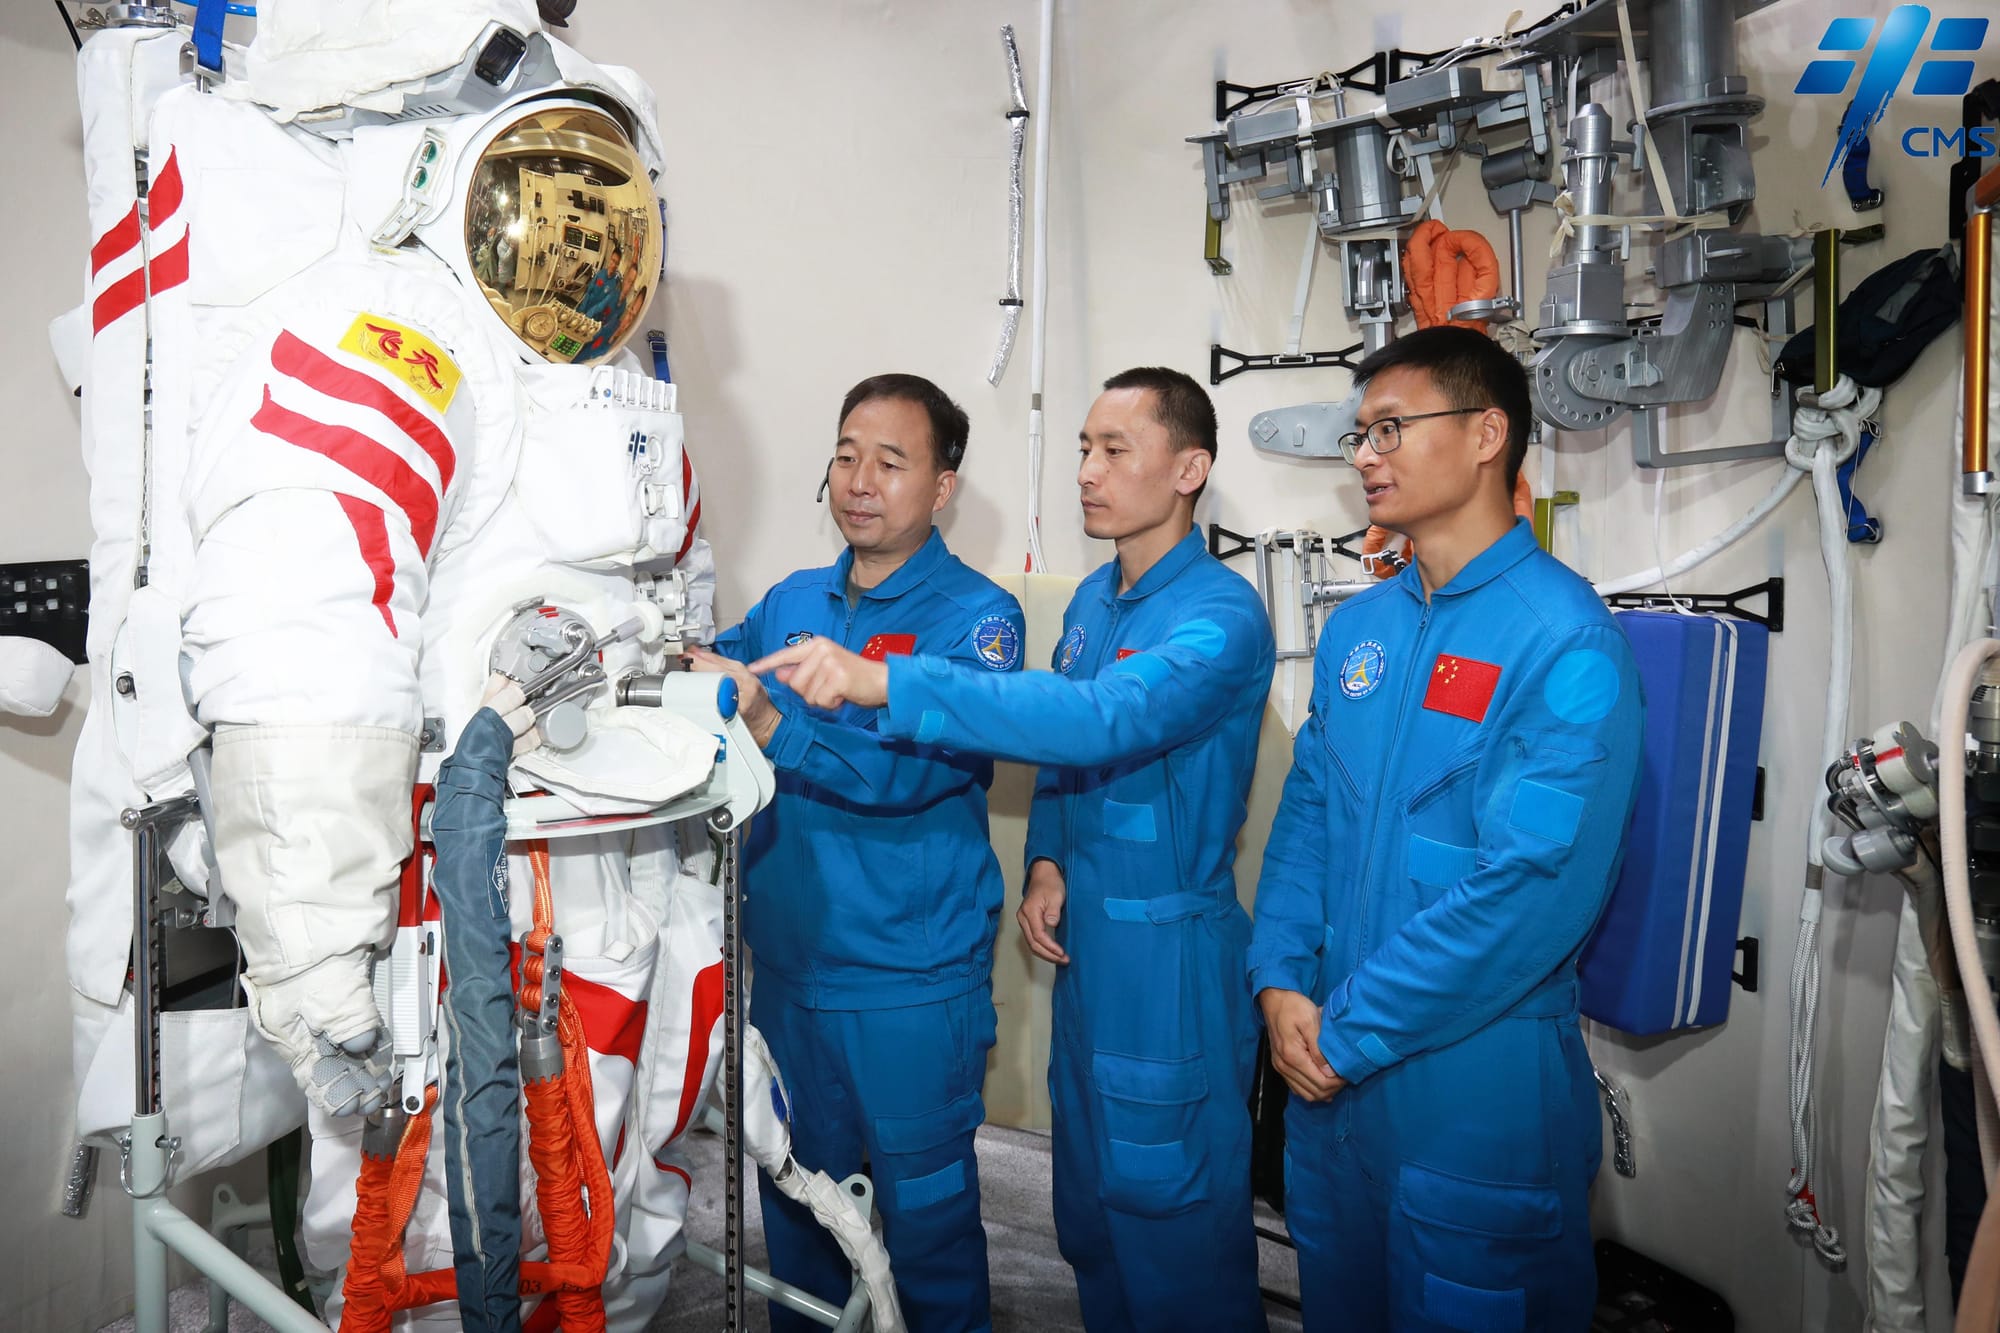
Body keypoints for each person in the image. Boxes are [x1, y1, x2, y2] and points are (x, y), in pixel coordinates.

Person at [747, 367, 1276, 1333]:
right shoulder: (1093, 606)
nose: (1087, 470)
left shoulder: (1220, 614)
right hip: (1079, 958)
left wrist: (884, 684)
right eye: (1083, 447)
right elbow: (1067, 771)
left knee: (1175, 1227)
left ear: (1190, 467)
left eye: (1115, 450)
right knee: (1090, 1222)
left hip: (1168, 962)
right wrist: (1046, 858)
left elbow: (1097, 720)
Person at [1247, 326, 1645, 1330]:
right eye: (1359, 434)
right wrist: (1279, 978)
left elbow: (1529, 895)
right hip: (1329, 1086)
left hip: (1472, 1093)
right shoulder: (1360, 631)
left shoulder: (1563, 639)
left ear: (1484, 434)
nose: (1364, 454)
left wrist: (1345, 1029)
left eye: (1389, 427)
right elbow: (1306, 820)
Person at [691, 373, 1024, 1333]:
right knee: (797, 1211)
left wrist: (766, 721)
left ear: (942, 486)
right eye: (846, 455)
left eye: (891, 461)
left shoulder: (978, 618)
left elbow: (911, 774)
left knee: (926, 1227)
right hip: (789, 978)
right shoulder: (795, 598)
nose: (860, 480)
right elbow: (706, 678)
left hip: (910, 982)